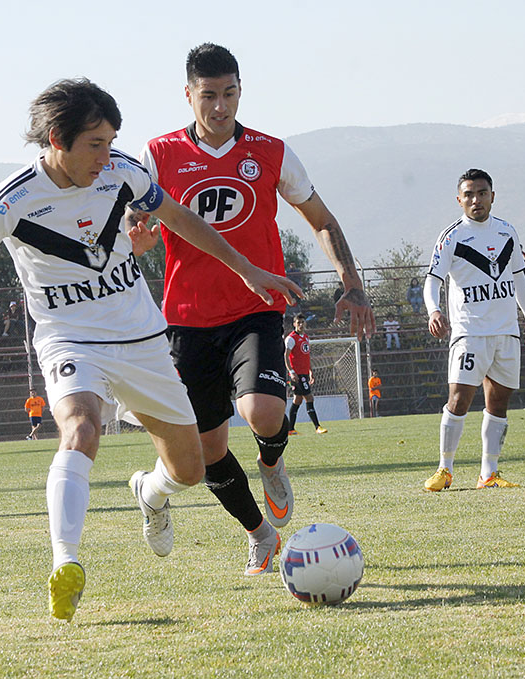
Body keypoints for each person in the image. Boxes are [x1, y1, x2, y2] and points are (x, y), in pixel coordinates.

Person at [0, 78, 299, 622]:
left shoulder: (121, 173)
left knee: (189, 470)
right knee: (81, 429)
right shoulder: (10, 200)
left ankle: (150, 490)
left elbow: (181, 219)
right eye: (95, 143)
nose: (106, 154)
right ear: (57, 139)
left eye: (111, 140)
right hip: (69, 340)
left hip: (141, 339)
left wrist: (249, 270)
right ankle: (64, 562)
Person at [128, 43, 375, 576]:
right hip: (187, 320)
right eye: (209, 95)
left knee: (262, 411)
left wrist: (350, 284)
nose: (220, 107)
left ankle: (271, 459)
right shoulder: (157, 154)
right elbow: (131, 222)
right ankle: (261, 537)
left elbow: (322, 220)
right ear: (188, 95)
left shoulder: (271, 152)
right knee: (206, 450)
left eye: (230, 94)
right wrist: (137, 236)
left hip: (257, 306)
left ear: (241, 91)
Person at [422, 169, 525, 492]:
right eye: (469, 194)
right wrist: (434, 310)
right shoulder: (452, 237)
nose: (476, 200)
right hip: (469, 333)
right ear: (459, 199)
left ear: (492, 196)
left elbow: (518, 278)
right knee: (458, 399)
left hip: (506, 333)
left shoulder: (507, 233)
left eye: (482, 193)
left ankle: (489, 473)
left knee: (498, 403)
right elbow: (432, 280)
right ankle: (444, 469)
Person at [284, 314, 327, 436]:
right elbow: (286, 356)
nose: (301, 324)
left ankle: (290, 429)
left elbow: (306, 356)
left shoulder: (306, 337)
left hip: (305, 373)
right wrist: (291, 372)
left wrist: (311, 371)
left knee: (297, 400)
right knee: (309, 398)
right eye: (298, 322)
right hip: (297, 374)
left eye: (303, 322)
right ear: (294, 324)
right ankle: (317, 426)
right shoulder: (291, 338)